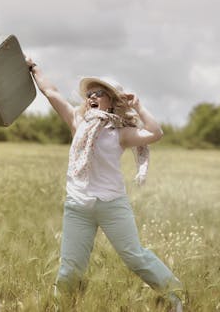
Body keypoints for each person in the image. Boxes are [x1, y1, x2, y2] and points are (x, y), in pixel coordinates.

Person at [25, 57, 184, 311]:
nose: (92, 96)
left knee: (135, 257)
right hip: (78, 206)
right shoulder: (78, 123)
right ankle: (61, 307)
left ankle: (175, 295)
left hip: (112, 206)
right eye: (89, 94)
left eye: (99, 93)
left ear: (111, 100)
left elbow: (155, 133)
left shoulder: (120, 132)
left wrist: (139, 107)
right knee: (70, 267)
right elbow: (51, 92)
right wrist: (33, 68)